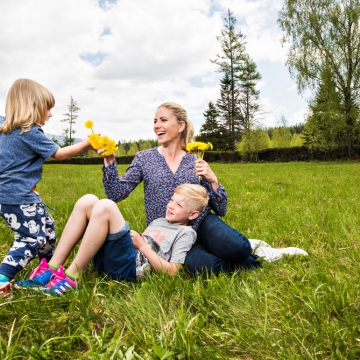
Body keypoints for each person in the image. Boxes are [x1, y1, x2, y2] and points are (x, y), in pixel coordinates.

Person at [100, 102, 307, 274]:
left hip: (201, 222)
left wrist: (213, 180)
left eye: (163, 120)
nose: (156, 125)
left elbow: (221, 209)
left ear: (180, 126)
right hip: (170, 233)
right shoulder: (145, 158)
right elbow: (116, 193)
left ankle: (255, 248)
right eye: (155, 121)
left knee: (238, 247)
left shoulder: (195, 159)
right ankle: (256, 260)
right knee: (202, 266)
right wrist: (109, 162)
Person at [16, 184, 209, 295]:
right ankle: (50, 270)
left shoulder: (186, 233)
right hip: (118, 260)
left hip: (131, 269)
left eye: (179, 205)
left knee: (107, 206)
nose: (171, 206)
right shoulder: (159, 220)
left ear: (192, 215)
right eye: (172, 200)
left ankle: (71, 278)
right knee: (88, 200)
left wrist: (142, 245)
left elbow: (173, 272)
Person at [0, 79, 92, 299]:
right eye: (48, 108)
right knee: (31, 239)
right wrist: (86, 143)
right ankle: (3, 278)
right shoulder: (29, 132)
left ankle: (46, 270)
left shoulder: (5, 129)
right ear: (32, 106)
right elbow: (59, 154)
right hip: (18, 196)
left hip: (13, 195)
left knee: (47, 229)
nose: (50, 114)